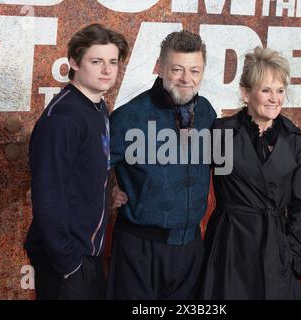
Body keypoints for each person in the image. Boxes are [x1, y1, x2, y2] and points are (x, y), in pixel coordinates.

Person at [106, 30, 217, 299]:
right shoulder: (129, 116)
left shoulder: (206, 113)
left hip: (190, 247)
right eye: (177, 69)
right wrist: (107, 189)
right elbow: (88, 166)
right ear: (159, 68)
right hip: (139, 248)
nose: (186, 79)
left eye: (194, 70)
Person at [201, 47, 301, 300]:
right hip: (230, 243)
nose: (274, 98)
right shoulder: (221, 133)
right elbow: (187, 173)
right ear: (245, 93)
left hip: (275, 247)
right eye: (266, 90)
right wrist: (124, 187)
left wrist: (293, 252)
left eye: (280, 90)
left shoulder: (296, 143)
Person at [24, 24, 129, 300]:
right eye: (96, 61)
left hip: (87, 252)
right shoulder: (65, 118)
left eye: (113, 62)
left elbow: (84, 172)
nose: (107, 70)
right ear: (74, 62)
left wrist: (107, 193)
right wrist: (69, 264)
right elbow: (47, 194)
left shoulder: (97, 107)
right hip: (66, 259)